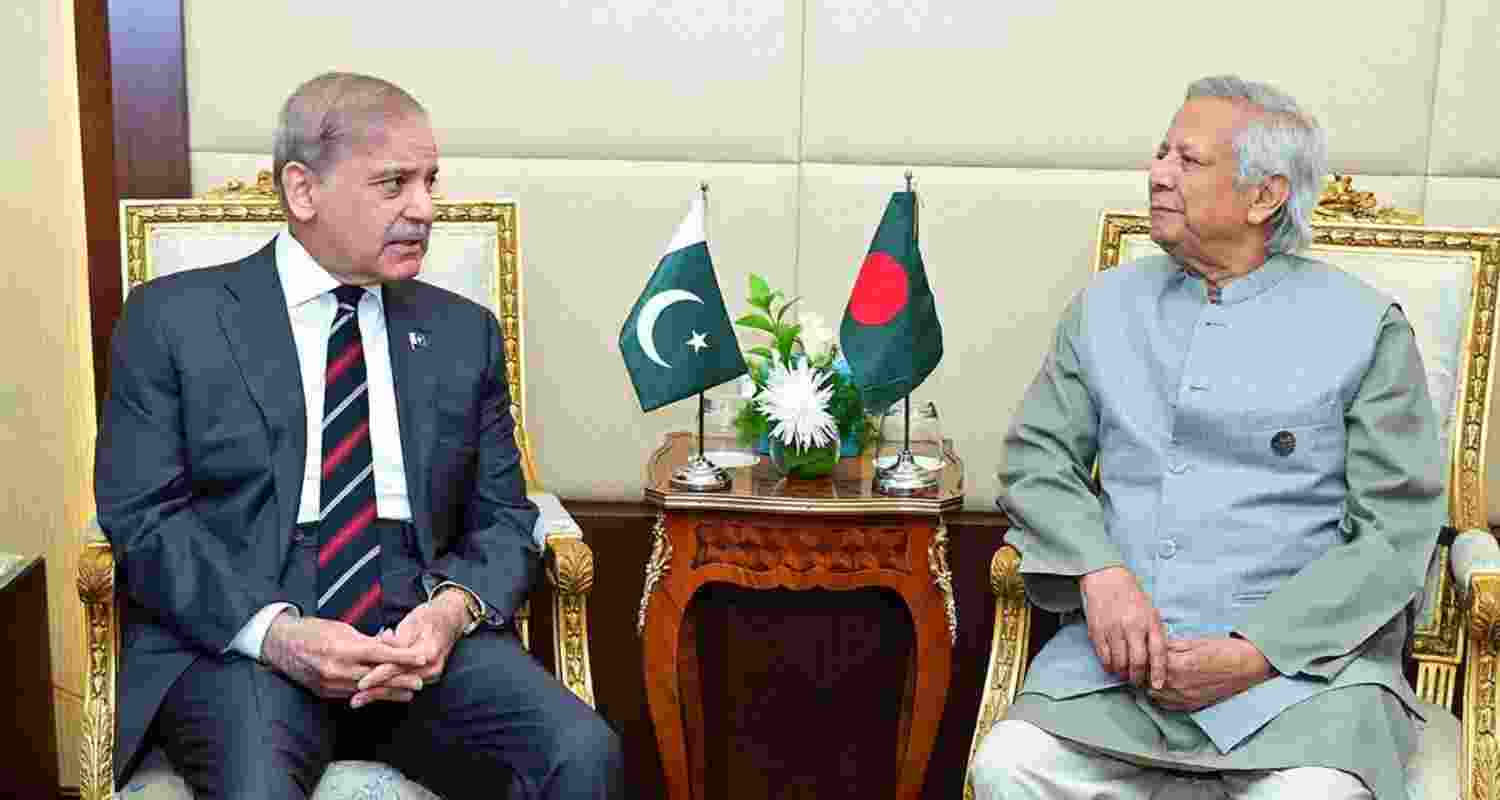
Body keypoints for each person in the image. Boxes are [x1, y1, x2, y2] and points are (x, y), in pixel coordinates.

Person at [96, 72, 622, 799]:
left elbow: (504, 517)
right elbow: (144, 517)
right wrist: (277, 632)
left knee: (583, 753)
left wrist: (449, 613)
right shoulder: (173, 320)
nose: (424, 208)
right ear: (303, 190)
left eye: (430, 181)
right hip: (248, 633)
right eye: (394, 183)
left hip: (418, 629)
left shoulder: (461, 333)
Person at [971, 75, 1443, 799]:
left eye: (1187, 160)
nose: (1158, 173)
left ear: (1265, 196)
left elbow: (1395, 530)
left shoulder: (1365, 326)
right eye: (1161, 153)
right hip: (1117, 675)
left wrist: (1259, 652)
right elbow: (1038, 459)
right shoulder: (1105, 307)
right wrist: (1099, 573)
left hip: (1304, 679)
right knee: (1009, 766)